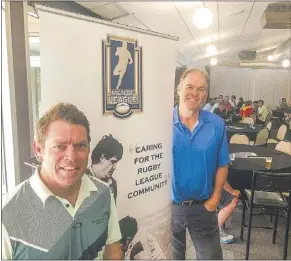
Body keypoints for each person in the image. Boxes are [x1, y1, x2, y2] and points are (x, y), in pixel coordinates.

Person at [1, 103, 122, 260]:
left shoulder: (103, 193)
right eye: (59, 146)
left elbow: (112, 251)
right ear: (39, 150)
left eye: (80, 145)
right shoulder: (7, 213)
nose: (71, 157)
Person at [173, 68, 229, 260]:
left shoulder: (217, 124)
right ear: (178, 89)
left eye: (201, 89)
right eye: (189, 87)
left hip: (203, 207)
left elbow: (222, 164)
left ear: (206, 95)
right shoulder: (161, 123)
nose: (194, 93)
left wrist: (215, 198)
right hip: (169, 209)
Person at [86, 134, 123, 203]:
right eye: (112, 162)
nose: (114, 167)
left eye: (116, 163)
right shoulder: (81, 181)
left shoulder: (112, 184)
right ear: (102, 158)